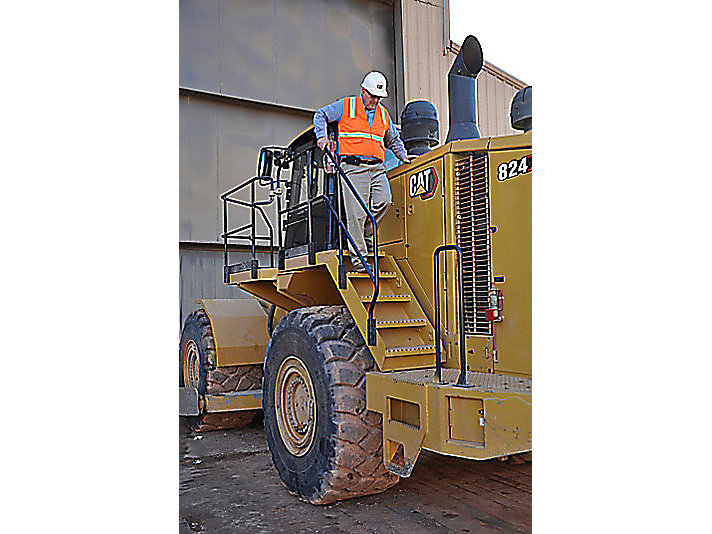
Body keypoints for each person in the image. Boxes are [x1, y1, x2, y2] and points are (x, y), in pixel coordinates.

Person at [313, 71, 412, 272]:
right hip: (353, 168)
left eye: (379, 97)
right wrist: (322, 137)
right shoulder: (346, 106)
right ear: (363, 91)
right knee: (356, 214)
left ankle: (365, 236)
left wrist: (402, 156)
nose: (376, 100)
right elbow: (320, 115)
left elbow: (392, 139)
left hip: (376, 167)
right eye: (373, 96)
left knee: (384, 200)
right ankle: (360, 260)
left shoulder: (384, 114)